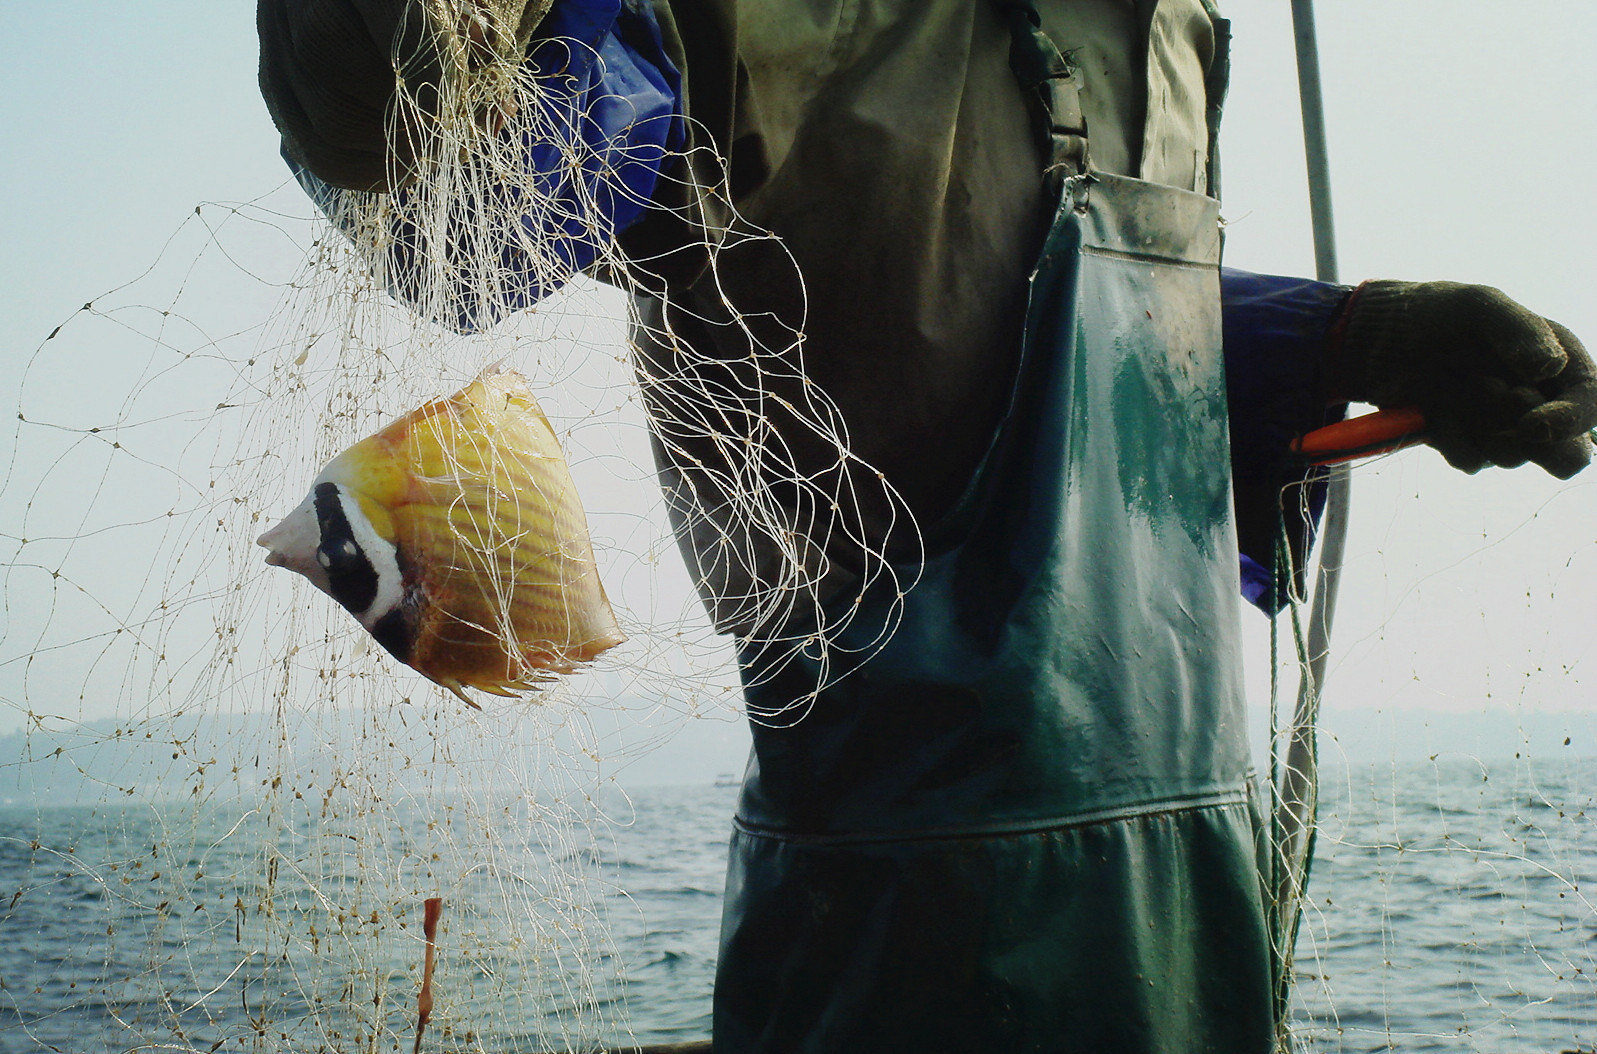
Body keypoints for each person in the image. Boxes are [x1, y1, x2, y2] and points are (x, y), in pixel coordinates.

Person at [256, 2, 1597, 1049]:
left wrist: (1354, 334)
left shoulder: (1168, 21)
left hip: (1189, 939)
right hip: (885, 957)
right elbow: (436, 174)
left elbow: (1029, 330)